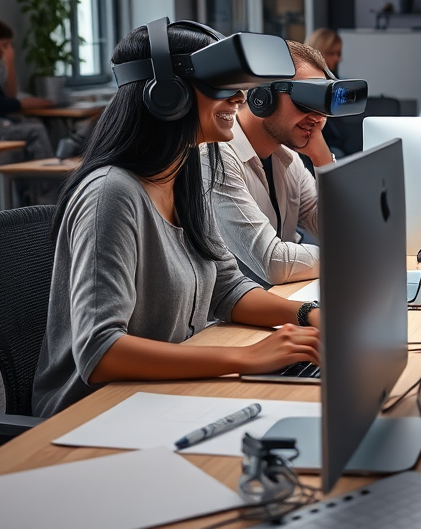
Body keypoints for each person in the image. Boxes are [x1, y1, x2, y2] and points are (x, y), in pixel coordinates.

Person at [32, 21, 321, 419]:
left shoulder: (185, 172)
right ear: (167, 94)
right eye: (223, 87)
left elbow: (226, 287)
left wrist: (310, 315)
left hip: (163, 394)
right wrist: (246, 357)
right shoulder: (111, 194)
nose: (240, 98)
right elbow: (100, 352)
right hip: (95, 413)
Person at [203, 40, 334, 286]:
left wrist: (323, 160)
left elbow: (336, 232)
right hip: (229, 321)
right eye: (307, 101)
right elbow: (274, 264)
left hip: (284, 300)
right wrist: (344, 257)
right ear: (262, 98)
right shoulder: (215, 157)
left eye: (322, 103)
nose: (318, 117)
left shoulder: (287, 157)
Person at [0, 18, 54, 160]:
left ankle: (29, 181)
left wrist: (9, 64)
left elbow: (10, 96)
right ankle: (47, 181)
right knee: (36, 131)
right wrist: (22, 104)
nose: (6, 50)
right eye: (4, 45)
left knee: (34, 123)